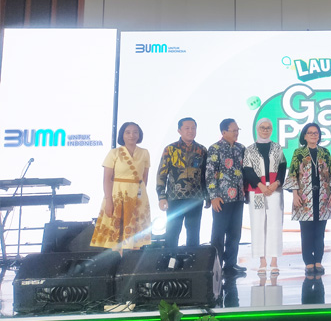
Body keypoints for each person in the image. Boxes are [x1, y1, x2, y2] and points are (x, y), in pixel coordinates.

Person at [283, 123, 331, 276]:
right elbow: (293, 174)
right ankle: (308, 262)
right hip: (304, 198)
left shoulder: (325, 152)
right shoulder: (299, 153)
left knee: (320, 232)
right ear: (305, 136)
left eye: (316, 133)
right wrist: (295, 195)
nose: (314, 135)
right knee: (306, 233)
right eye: (310, 133)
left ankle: (318, 261)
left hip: (323, 197)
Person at [91, 122, 151, 251]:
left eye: (135, 132)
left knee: (136, 236)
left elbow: (145, 177)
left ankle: (132, 261)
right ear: (122, 135)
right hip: (118, 195)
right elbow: (107, 179)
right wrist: (108, 200)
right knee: (116, 234)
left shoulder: (144, 153)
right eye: (127, 132)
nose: (131, 135)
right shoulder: (114, 153)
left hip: (138, 197)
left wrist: (140, 196)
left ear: (139, 135)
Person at [157, 117, 210, 248]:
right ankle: (170, 259)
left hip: (196, 199)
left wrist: (208, 196)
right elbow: (162, 174)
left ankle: (191, 259)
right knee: (172, 232)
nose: (190, 131)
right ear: (179, 131)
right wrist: (161, 196)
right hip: (175, 198)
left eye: (193, 128)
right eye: (187, 128)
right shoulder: (170, 149)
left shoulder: (202, 150)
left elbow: (205, 175)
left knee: (193, 233)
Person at [243, 118, 287, 275]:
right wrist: (260, 185)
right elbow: (247, 170)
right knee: (258, 223)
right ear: (257, 129)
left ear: (272, 130)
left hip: (275, 189)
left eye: (268, 127)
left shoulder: (277, 148)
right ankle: (262, 260)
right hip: (257, 190)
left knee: (275, 223)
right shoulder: (249, 150)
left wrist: (276, 184)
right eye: (262, 127)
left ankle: (274, 260)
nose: (265, 130)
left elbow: (282, 167)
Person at [205, 118, 247, 274]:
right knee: (218, 233)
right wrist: (213, 196)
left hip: (238, 197)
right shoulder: (215, 148)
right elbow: (210, 174)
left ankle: (230, 265)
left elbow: (245, 172)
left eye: (237, 130)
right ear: (223, 132)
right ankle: (216, 266)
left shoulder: (241, 148)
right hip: (221, 198)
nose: (236, 133)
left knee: (235, 233)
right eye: (233, 130)